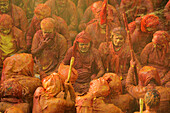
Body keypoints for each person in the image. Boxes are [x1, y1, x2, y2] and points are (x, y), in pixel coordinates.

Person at [98, 27, 131, 93]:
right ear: (112, 38)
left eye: (121, 39)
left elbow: (133, 64)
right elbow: (99, 63)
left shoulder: (128, 49)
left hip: (123, 76)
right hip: (107, 75)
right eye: (116, 38)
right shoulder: (104, 46)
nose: (118, 41)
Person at [0, 14, 26, 78]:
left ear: (11, 26)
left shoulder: (18, 33)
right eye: (2, 29)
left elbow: (23, 48)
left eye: (7, 29)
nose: (5, 31)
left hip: (13, 62)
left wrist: (14, 56)